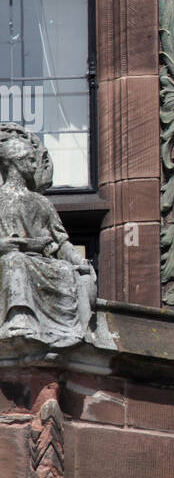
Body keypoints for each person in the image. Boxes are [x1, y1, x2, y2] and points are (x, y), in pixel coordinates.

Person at [0, 124, 96, 347]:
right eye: (29, 160)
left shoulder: (41, 203)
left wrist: (78, 260)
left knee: (64, 270)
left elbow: (61, 242)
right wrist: (8, 244)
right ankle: (20, 318)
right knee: (15, 262)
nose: (35, 165)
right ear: (13, 162)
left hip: (39, 260)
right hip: (10, 258)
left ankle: (63, 331)